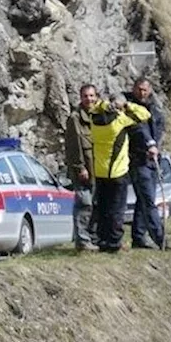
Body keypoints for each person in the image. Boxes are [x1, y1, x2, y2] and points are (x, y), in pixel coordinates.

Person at [89, 93, 152, 253]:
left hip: (100, 170)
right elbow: (145, 115)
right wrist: (127, 105)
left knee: (103, 208)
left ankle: (101, 240)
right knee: (117, 209)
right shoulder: (120, 121)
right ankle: (114, 242)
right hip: (118, 171)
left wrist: (105, 104)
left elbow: (96, 106)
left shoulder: (93, 120)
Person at [126, 77, 168, 250]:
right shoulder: (129, 108)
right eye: (139, 89)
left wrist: (156, 146)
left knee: (143, 200)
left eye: (145, 90)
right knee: (149, 200)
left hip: (152, 161)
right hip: (138, 160)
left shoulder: (155, 109)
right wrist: (149, 144)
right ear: (134, 89)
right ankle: (161, 239)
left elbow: (159, 129)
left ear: (149, 90)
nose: (142, 93)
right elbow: (138, 129)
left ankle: (138, 237)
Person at [64, 84, 99, 252]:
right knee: (84, 205)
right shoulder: (75, 118)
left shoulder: (99, 116)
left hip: (98, 169)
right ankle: (82, 241)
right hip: (84, 171)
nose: (89, 99)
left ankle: (93, 238)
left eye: (92, 96)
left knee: (95, 205)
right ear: (81, 97)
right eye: (86, 96)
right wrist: (80, 168)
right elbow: (73, 147)